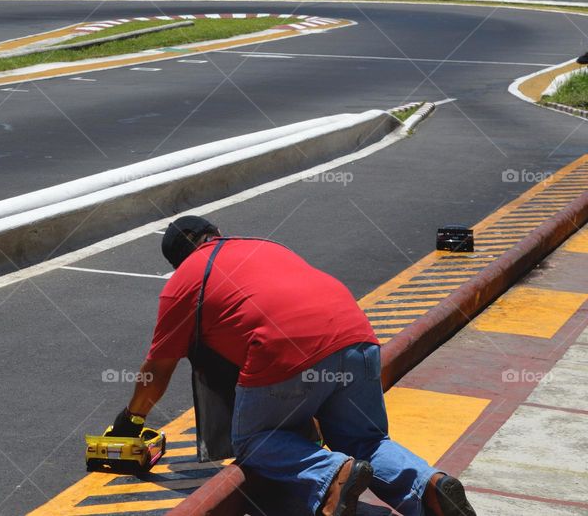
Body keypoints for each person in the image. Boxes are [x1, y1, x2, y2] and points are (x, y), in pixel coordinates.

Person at [106, 216, 476, 516]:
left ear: (177, 261)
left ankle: (332, 473)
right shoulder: (265, 245)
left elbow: (158, 370)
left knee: (253, 441)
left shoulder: (185, 279)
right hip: (357, 335)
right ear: (216, 234)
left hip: (286, 350)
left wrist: (131, 420)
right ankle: (428, 485)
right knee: (365, 439)